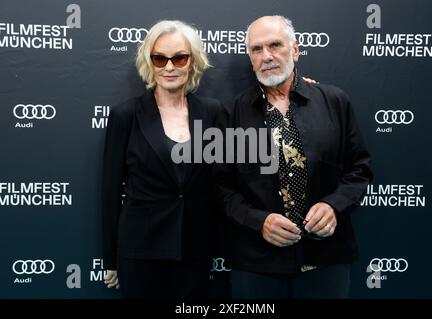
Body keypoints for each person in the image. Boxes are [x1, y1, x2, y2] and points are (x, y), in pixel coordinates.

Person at [212, 15, 373, 299]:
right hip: (256, 264)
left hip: (325, 260)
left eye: (275, 45)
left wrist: (334, 206)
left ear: (295, 51)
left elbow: (359, 169)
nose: (267, 56)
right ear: (250, 59)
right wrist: (257, 221)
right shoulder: (231, 113)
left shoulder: (334, 102)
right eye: (257, 49)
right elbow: (220, 186)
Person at [101, 20, 222, 298]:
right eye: (160, 58)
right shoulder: (126, 115)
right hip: (140, 251)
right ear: (149, 62)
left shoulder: (213, 112)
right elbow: (109, 191)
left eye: (179, 58)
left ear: (192, 62)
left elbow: (222, 179)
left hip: (194, 251)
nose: (169, 67)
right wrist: (110, 259)